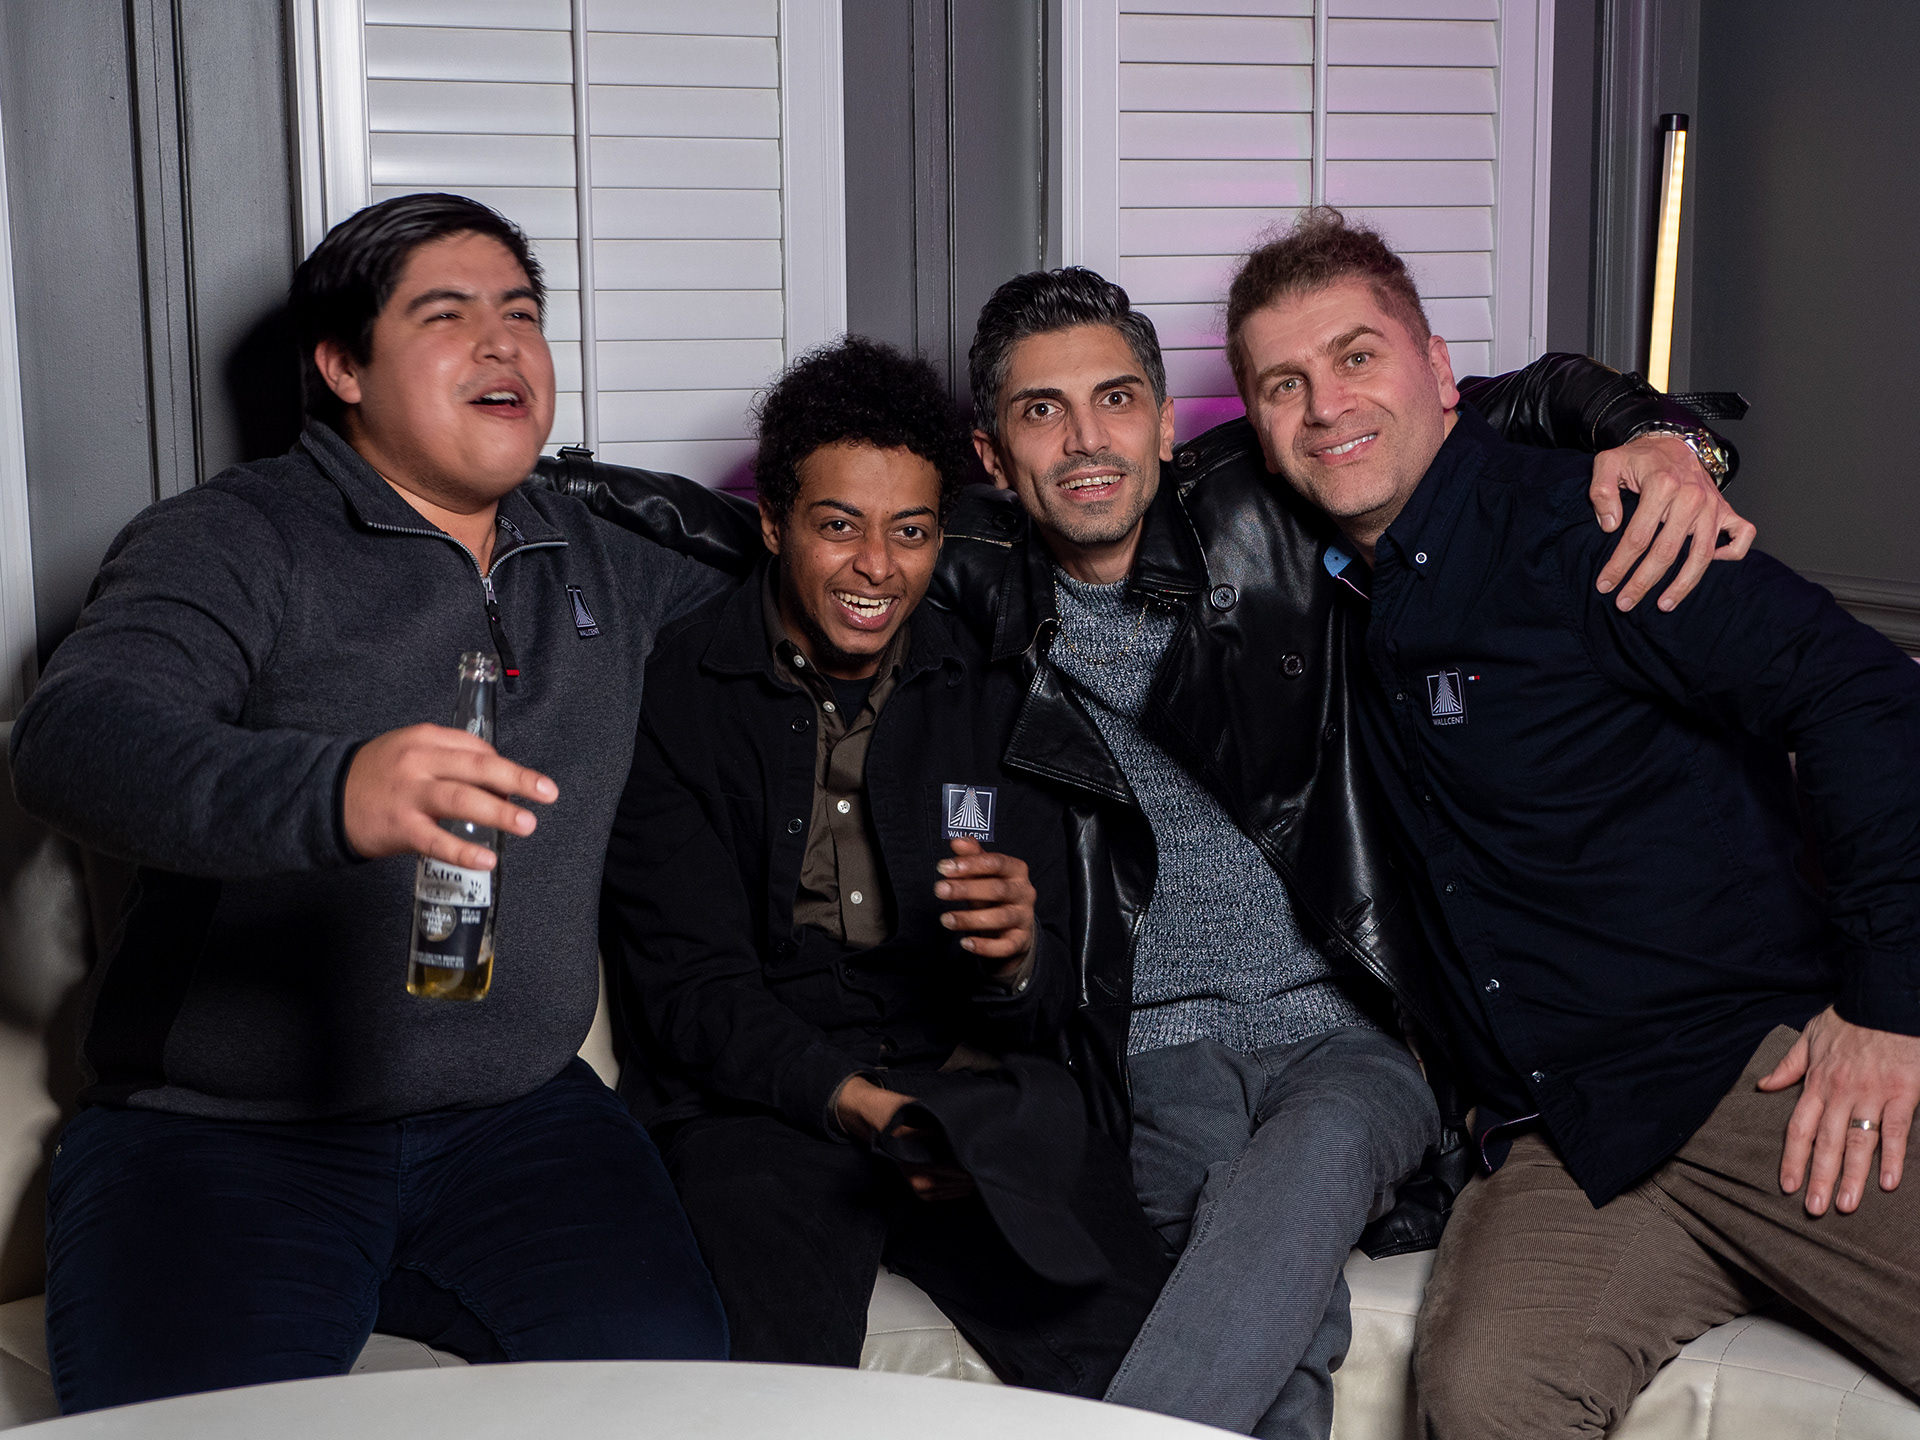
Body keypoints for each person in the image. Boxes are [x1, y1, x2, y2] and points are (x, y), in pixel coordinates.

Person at [548, 277, 1748, 1439]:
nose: (1087, 441)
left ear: (1168, 423)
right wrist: (526, 488)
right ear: (992, 455)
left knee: (1315, 1157)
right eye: (1043, 410)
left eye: (1116, 400)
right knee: (1251, 1270)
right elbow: (771, 522)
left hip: (1349, 1024)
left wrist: (1661, 435)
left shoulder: (1261, 500)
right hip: (1153, 1051)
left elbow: (1475, 404)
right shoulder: (953, 573)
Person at [7, 193, 729, 1414]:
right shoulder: (233, 539)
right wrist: (333, 789)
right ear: (342, 367)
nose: (502, 342)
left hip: (519, 1125)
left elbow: (828, 576)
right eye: (446, 315)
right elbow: (74, 741)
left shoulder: (602, 554)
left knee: (687, 1406)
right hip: (224, 1137)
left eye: (522, 313)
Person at [1225, 206, 1920, 1438]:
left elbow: (1862, 692)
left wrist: (1887, 1007)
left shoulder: (1593, 526)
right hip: (1563, 1136)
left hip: (1756, 1078)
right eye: (1284, 384)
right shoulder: (1316, 591)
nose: (1326, 406)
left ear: (1440, 369)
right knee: (1487, 1398)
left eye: (1356, 356)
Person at [598, 336, 1170, 1395]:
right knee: (771, 1388)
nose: (877, 566)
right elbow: (692, 995)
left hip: (966, 1090)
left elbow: (1049, 1001)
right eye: (838, 526)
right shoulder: (677, 692)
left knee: (1142, 1369)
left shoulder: (993, 691)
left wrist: (1016, 962)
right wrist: (864, 1107)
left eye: (910, 531)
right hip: (760, 1109)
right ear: (774, 523)